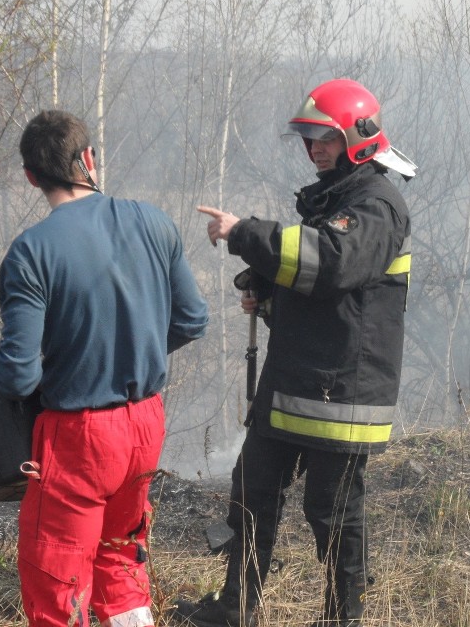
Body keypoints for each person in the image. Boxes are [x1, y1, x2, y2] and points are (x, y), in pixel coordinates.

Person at [172, 79, 416, 627]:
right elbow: (321, 290)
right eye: (308, 139)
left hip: (341, 393)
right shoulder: (337, 197)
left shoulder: (378, 204)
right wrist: (267, 286)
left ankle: (340, 618)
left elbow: (332, 262)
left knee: (331, 512)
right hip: (296, 384)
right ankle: (235, 610)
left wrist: (245, 234)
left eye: (324, 138)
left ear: (356, 136)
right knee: (251, 494)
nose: (315, 149)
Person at [0, 110, 209, 627]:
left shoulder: (31, 253)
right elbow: (192, 320)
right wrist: (136, 349)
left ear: (31, 177)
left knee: (57, 581)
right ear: (88, 160)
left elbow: (18, 377)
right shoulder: (155, 221)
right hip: (146, 423)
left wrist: (69, 363)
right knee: (121, 557)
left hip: (78, 436)